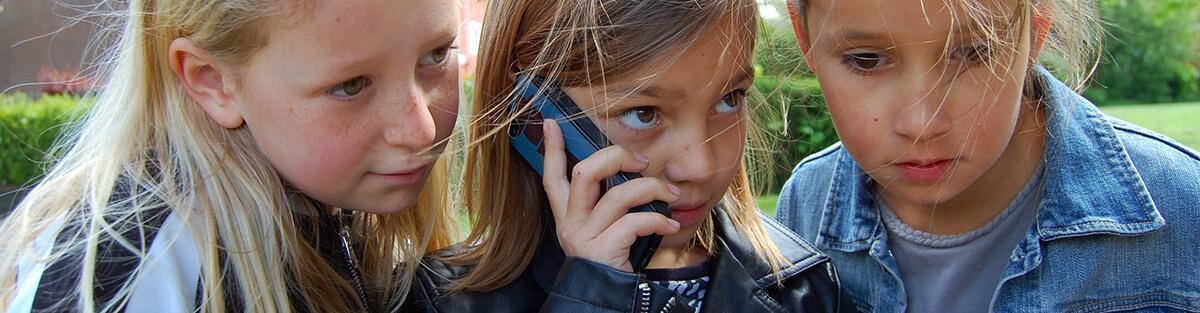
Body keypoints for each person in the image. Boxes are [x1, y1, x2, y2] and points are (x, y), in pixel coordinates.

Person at [1, 0, 461, 311]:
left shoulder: (333, 200)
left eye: (436, 55)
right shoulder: (130, 268)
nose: (419, 128)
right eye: (350, 85)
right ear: (212, 81)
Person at [405, 0, 852, 312]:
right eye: (643, 113)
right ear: (533, 116)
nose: (700, 166)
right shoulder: (439, 300)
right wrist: (593, 294)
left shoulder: (803, 285)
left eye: (729, 98)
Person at [775, 0, 1200, 311]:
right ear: (804, 35)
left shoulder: (1183, 206)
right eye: (866, 60)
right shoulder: (803, 209)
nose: (922, 121)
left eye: (974, 53)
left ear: (1036, 27)